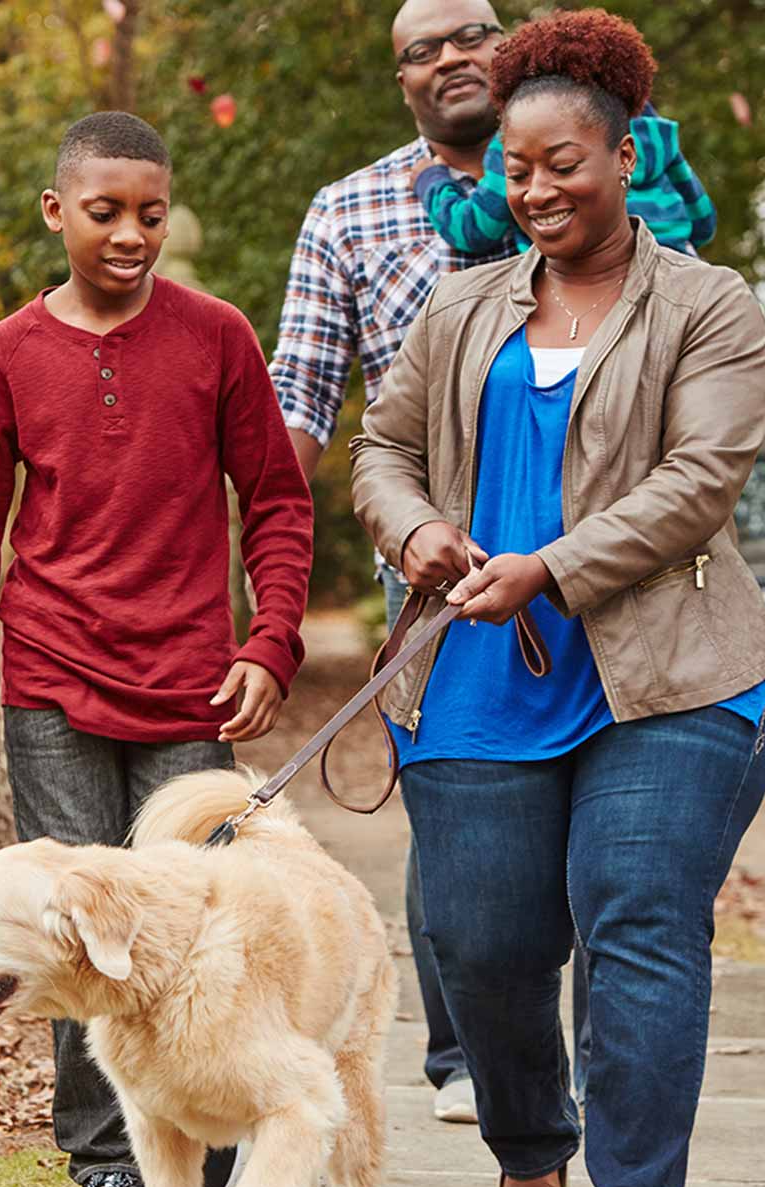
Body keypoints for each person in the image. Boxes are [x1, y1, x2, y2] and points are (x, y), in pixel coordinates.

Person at [350, 11, 765, 1187]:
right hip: (477, 678)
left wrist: (551, 568)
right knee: (483, 947)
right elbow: (381, 450)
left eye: (563, 164)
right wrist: (419, 527)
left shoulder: (709, 304)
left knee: (638, 932)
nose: (536, 190)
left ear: (626, 155)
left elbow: (700, 480)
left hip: (672, 679)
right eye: (517, 168)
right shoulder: (463, 306)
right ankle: (531, 1162)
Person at [0, 111, 313, 1187]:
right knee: (68, 939)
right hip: (51, 689)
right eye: (105, 213)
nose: (132, 233)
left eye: (150, 212)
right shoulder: (6, 357)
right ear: (57, 213)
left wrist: (271, 640)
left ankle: (227, 1149)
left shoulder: (218, 336)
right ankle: (106, 1166)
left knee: (193, 931)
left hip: (194, 692)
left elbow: (274, 498)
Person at [268, 0, 517, 1126]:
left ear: (510, 45)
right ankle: (465, 1053)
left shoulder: (588, 168)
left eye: (471, 34)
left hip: (595, 537)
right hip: (432, 552)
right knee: (456, 799)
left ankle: (582, 1044)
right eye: (422, 50)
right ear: (401, 81)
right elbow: (301, 401)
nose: (451, 59)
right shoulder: (348, 210)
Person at [415, 99, 717, 258]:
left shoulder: (519, 135)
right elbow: (703, 222)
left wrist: (431, 179)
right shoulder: (655, 131)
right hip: (678, 270)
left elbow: (474, 229)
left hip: (586, 292)